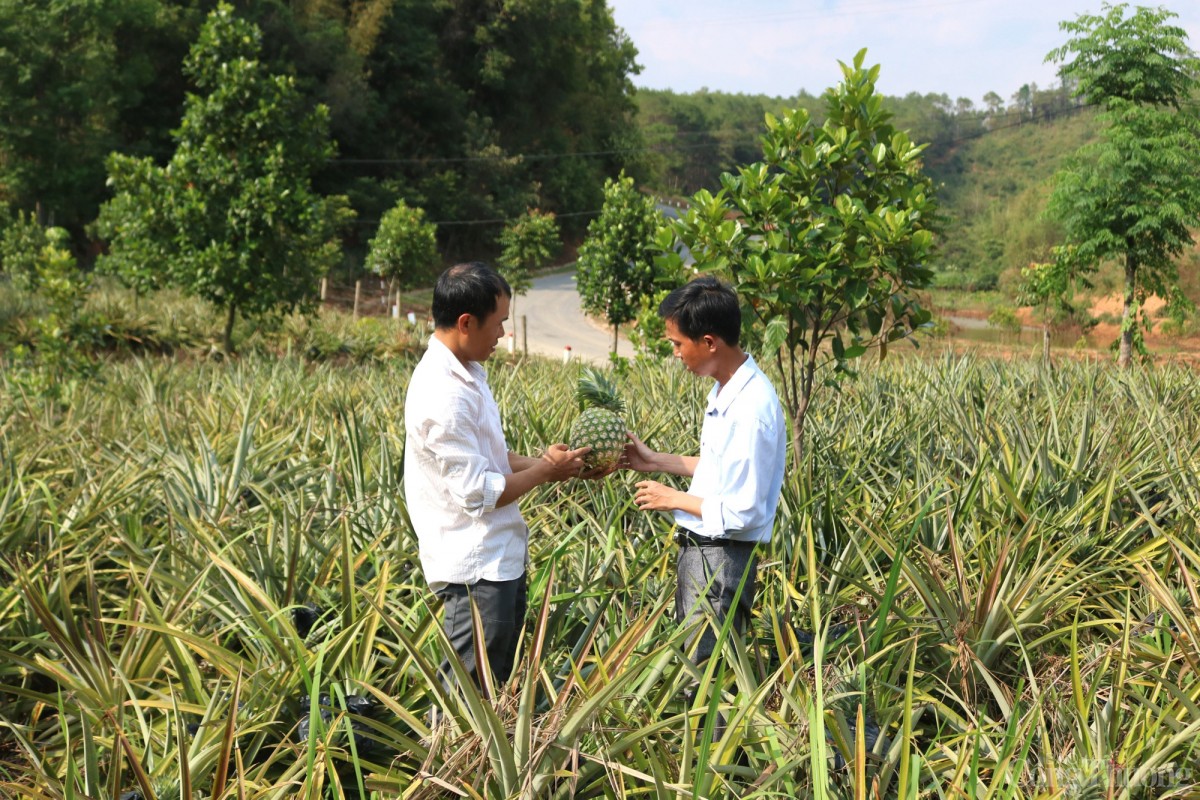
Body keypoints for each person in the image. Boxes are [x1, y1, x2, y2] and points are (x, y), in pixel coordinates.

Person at [404, 261, 590, 695]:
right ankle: (449, 765)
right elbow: (478, 492)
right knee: (469, 701)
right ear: (466, 323)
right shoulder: (444, 394)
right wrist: (546, 471)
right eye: (499, 323)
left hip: (496, 561)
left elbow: (492, 458)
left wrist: (543, 462)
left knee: (493, 690)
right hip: (475, 571)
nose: (503, 334)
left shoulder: (467, 372)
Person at [624, 275, 787, 674]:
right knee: (695, 666)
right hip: (705, 553)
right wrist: (655, 460)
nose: (676, 354)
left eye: (678, 344)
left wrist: (673, 498)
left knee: (705, 675)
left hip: (721, 561)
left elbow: (744, 510)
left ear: (709, 342)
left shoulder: (751, 409)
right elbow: (721, 468)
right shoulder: (726, 390)